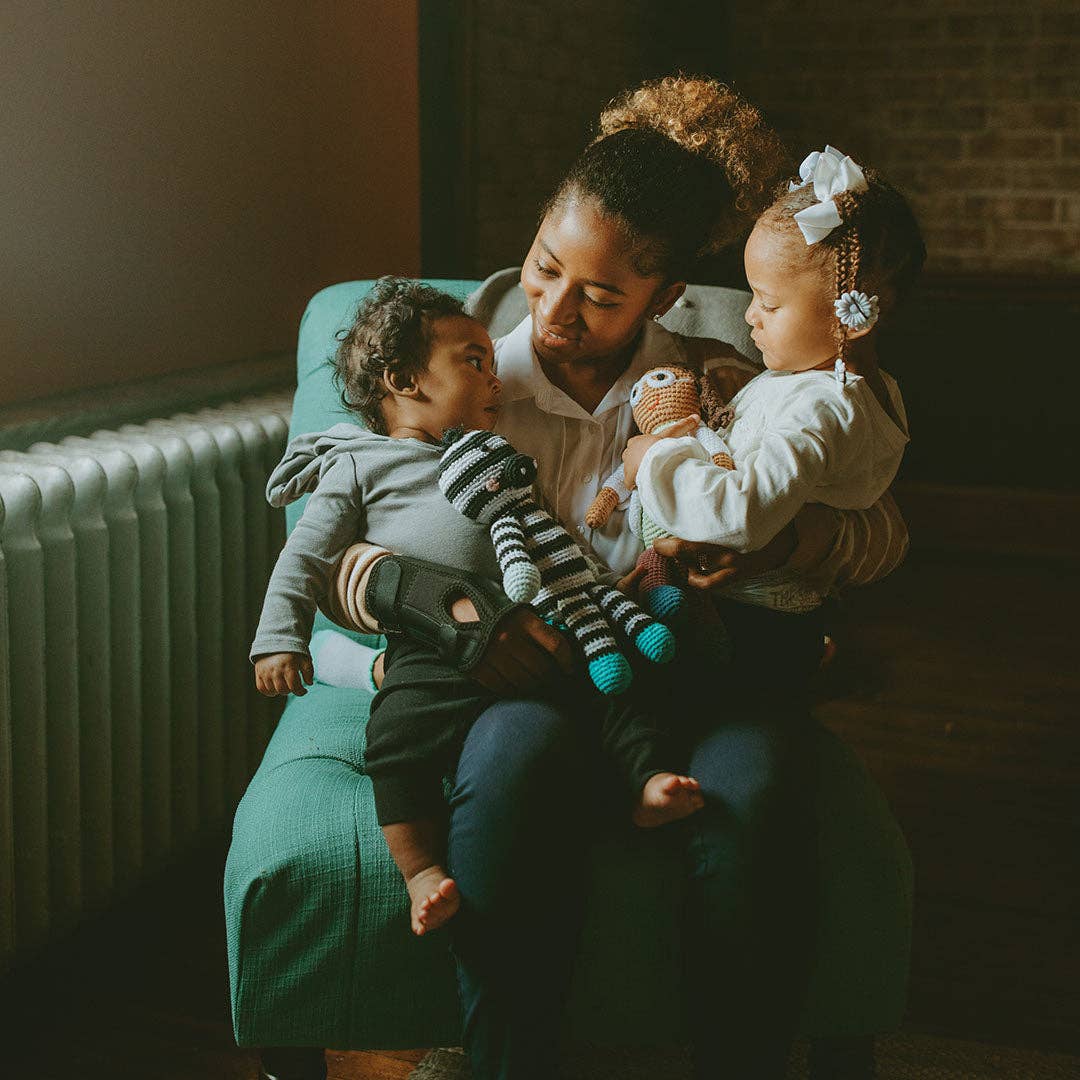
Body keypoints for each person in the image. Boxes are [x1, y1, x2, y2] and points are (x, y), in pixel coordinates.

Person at [264, 76, 909, 1080]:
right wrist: (449, 613)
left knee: (757, 789)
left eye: (602, 296)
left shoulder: (720, 385)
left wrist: (781, 549)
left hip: (688, 661)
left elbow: (883, 536)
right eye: (543, 268)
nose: (556, 310)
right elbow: (334, 542)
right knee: (513, 761)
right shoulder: (452, 371)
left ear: (665, 296)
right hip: (528, 675)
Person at [250, 277, 702, 941]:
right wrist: (277, 640)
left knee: (616, 682)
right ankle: (421, 870)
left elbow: (551, 538)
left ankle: (644, 782)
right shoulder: (358, 464)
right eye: (473, 363)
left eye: (492, 363)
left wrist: (606, 589)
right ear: (405, 380)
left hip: (536, 626)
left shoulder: (495, 458)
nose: (495, 381)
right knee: (393, 742)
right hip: (431, 648)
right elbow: (307, 557)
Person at [621, 145, 925, 622]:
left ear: (853, 317)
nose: (749, 317)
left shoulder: (820, 407)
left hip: (752, 617)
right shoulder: (860, 387)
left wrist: (652, 459)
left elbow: (740, 516)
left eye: (769, 303)